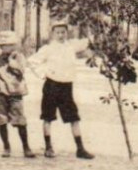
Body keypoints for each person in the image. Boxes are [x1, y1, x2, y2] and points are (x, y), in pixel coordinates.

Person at [28, 22, 94, 159]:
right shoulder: (48, 49)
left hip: (66, 87)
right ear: (53, 34)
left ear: (67, 33)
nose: (60, 35)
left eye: (63, 32)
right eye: (57, 32)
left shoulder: (71, 46)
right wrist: (43, 74)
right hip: (51, 86)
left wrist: (93, 26)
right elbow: (32, 61)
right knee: (48, 117)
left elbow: (88, 41)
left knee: (73, 117)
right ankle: (48, 148)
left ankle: (80, 149)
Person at [0, 29, 36, 158]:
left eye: (12, 44)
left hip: (16, 95)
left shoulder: (20, 58)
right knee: (1, 122)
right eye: (6, 45)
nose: (9, 47)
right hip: (0, 95)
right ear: (1, 46)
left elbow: (21, 72)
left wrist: (13, 63)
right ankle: (6, 147)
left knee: (20, 122)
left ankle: (26, 147)